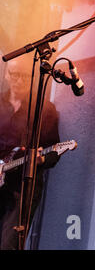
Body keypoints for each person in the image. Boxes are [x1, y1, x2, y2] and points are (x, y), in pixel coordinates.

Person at [0, 59, 60, 250]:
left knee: (9, 245)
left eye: (24, 75)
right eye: (14, 74)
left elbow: (54, 151)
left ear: (33, 77)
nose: (18, 80)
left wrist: (41, 158)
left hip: (21, 189)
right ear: (7, 75)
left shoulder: (43, 109)